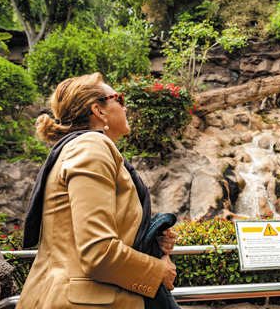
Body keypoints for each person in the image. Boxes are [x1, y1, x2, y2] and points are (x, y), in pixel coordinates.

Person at [17, 72, 178, 309]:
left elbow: (76, 235)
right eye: (119, 100)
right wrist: (158, 271)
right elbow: (97, 251)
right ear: (99, 111)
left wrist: (147, 240)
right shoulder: (92, 146)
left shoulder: (76, 148)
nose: (125, 108)